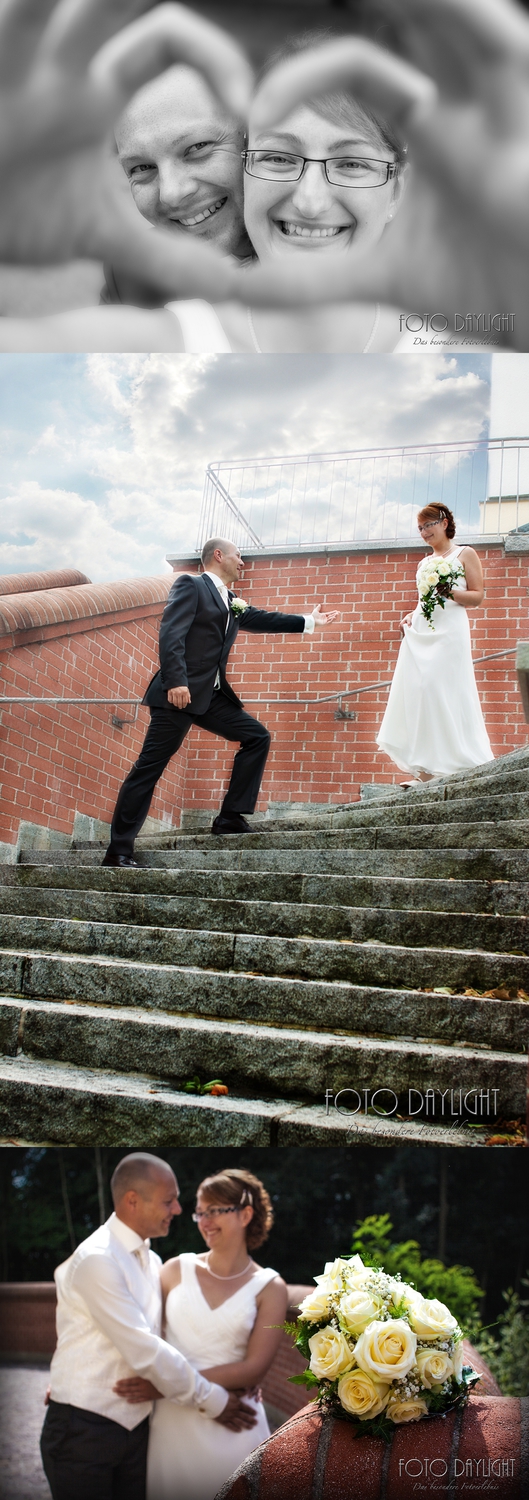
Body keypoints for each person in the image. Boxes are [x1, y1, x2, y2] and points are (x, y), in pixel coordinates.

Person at [102, 538, 339, 865]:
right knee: (149, 769)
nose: (242, 562)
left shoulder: (231, 601)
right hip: (178, 695)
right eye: (238, 556)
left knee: (257, 737)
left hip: (210, 696)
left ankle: (229, 818)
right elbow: (171, 632)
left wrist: (309, 621)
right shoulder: (192, 585)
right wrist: (176, 680)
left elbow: (264, 619)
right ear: (218, 555)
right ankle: (118, 850)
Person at [40, 1153, 257, 1500]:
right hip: (83, 1432)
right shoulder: (97, 1258)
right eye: (169, 1201)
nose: (177, 1210)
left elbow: (171, 1334)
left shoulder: (153, 1261)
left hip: (141, 1432)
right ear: (132, 1201)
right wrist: (214, 1398)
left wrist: (240, 1373)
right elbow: (144, 1348)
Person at [114, 1167, 289, 1500]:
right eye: (200, 1213)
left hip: (236, 1421)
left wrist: (164, 1385)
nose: (205, 1222)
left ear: (245, 1215)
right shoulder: (174, 1270)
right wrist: (72, 1379)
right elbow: (135, 1333)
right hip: (173, 1425)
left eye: (215, 1211)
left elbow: (253, 1368)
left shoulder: (270, 1286)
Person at [102, 61, 254, 308]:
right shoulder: (132, 274)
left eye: (197, 148)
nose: (171, 193)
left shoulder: (312, 248)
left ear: (252, 138)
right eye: (142, 168)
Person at [376, 503, 494, 782]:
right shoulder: (423, 563)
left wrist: (450, 592)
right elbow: (424, 600)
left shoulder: (465, 553)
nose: (424, 532)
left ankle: (458, 762)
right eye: (420, 528)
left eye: (428, 525)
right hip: (422, 632)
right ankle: (425, 772)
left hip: (450, 633)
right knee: (421, 693)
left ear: (444, 523)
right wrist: (410, 615)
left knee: (443, 690)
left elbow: (477, 596)